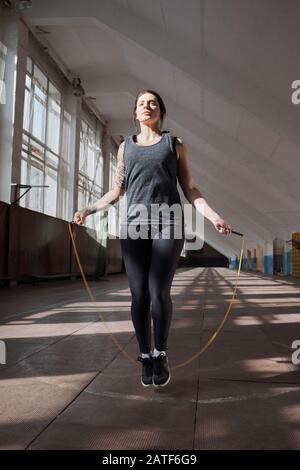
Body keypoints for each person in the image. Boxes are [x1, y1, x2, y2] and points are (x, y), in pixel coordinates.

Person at [73, 89, 232, 388]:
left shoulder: (175, 145)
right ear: (135, 113)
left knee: (158, 291)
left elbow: (191, 189)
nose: (147, 107)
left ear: (161, 111)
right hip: (133, 226)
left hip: (169, 225)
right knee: (139, 295)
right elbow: (117, 191)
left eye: (153, 103)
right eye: (142, 104)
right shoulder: (125, 149)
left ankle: (161, 353)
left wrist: (214, 217)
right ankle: (145, 356)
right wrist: (89, 208)